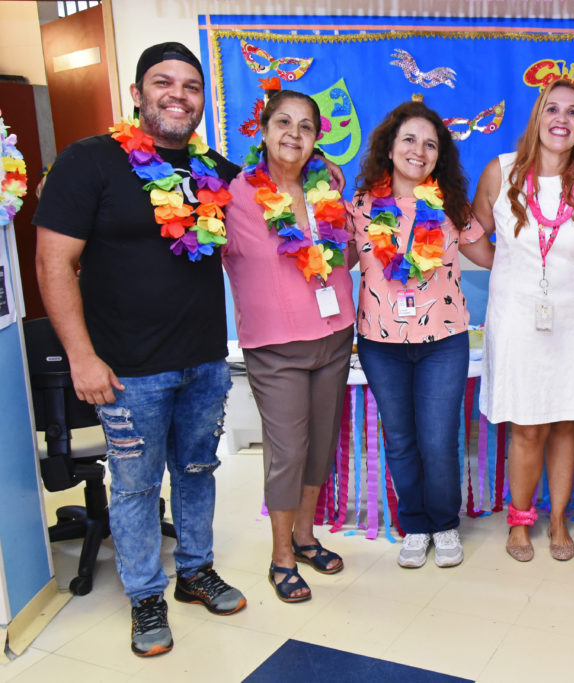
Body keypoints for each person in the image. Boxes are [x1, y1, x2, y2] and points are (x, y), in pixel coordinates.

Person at [33, 42, 246, 657]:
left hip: (204, 363)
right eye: (163, 82)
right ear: (136, 93)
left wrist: (320, 176)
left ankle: (195, 571)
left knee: (199, 471)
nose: (178, 95)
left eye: (190, 86)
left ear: (203, 101)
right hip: (126, 371)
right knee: (132, 486)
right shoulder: (90, 162)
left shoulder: (214, 172)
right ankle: (145, 595)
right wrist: (81, 357)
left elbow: (272, 198)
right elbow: (53, 264)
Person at [221, 90, 353, 603]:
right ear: (263, 129)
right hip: (274, 346)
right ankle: (280, 557)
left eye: (305, 126)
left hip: (335, 334)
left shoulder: (330, 187)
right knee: (287, 451)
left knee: (320, 443)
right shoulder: (232, 195)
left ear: (317, 138)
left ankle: (305, 538)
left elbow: (350, 253)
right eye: (283, 122)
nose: (293, 134)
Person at [349, 100, 493, 569]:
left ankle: (444, 523)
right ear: (390, 148)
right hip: (380, 344)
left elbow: (492, 255)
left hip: (443, 341)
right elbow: (334, 262)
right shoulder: (361, 207)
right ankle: (414, 524)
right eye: (409, 139)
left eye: (430, 144)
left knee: (437, 438)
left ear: (440, 156)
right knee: (399, 439)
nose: (419, 150)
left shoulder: (453, 207)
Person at [474, 79, 574, 562]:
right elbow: (472, 237)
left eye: (573, 113)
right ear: (537, 116)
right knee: (527, 425)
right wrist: (511, 268)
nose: (562, 119)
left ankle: (557, 521)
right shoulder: (501, 171)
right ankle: (520, 519)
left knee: (567, 420)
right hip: (516, 316)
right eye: (553, 108)